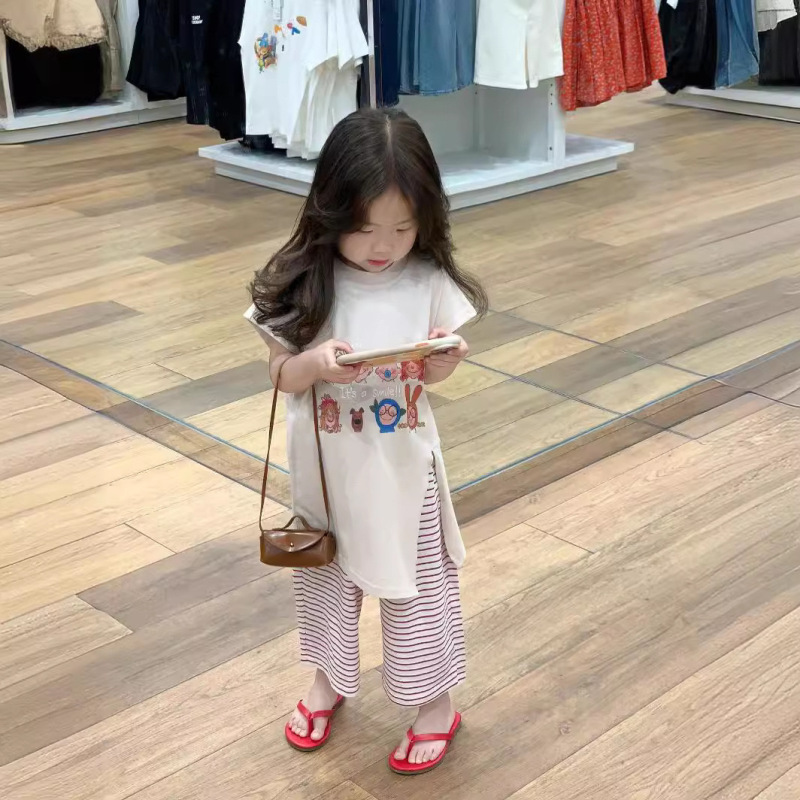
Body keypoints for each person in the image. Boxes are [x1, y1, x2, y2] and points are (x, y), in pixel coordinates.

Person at [244, 107, 488, 775]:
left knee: (417, 593)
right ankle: (327, 680)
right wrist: (313, 364)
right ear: (329, 210)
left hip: (405, 475)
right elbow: (280, 376)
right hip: (326, 479)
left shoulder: (427, 280)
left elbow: (426, 378)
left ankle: (434, 704)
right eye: (364, 227)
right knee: (326, 585)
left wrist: (443, 362)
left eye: (403, 228)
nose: (383, 246)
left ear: (425, 219)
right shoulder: (306, 280)